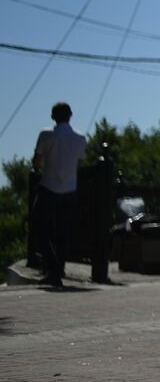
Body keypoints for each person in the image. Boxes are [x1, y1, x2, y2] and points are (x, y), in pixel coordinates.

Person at [31, 102, 87, 288]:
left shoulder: (46, 135)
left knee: (39, 226)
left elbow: (37, 161)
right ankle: (59, 267)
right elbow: (78, 160)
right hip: (70, 189)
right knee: (63, 231)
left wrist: (37, 168)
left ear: (53, 116)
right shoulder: (80, 138)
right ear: (70, 115)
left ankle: (53, 268)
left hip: (49, 187)